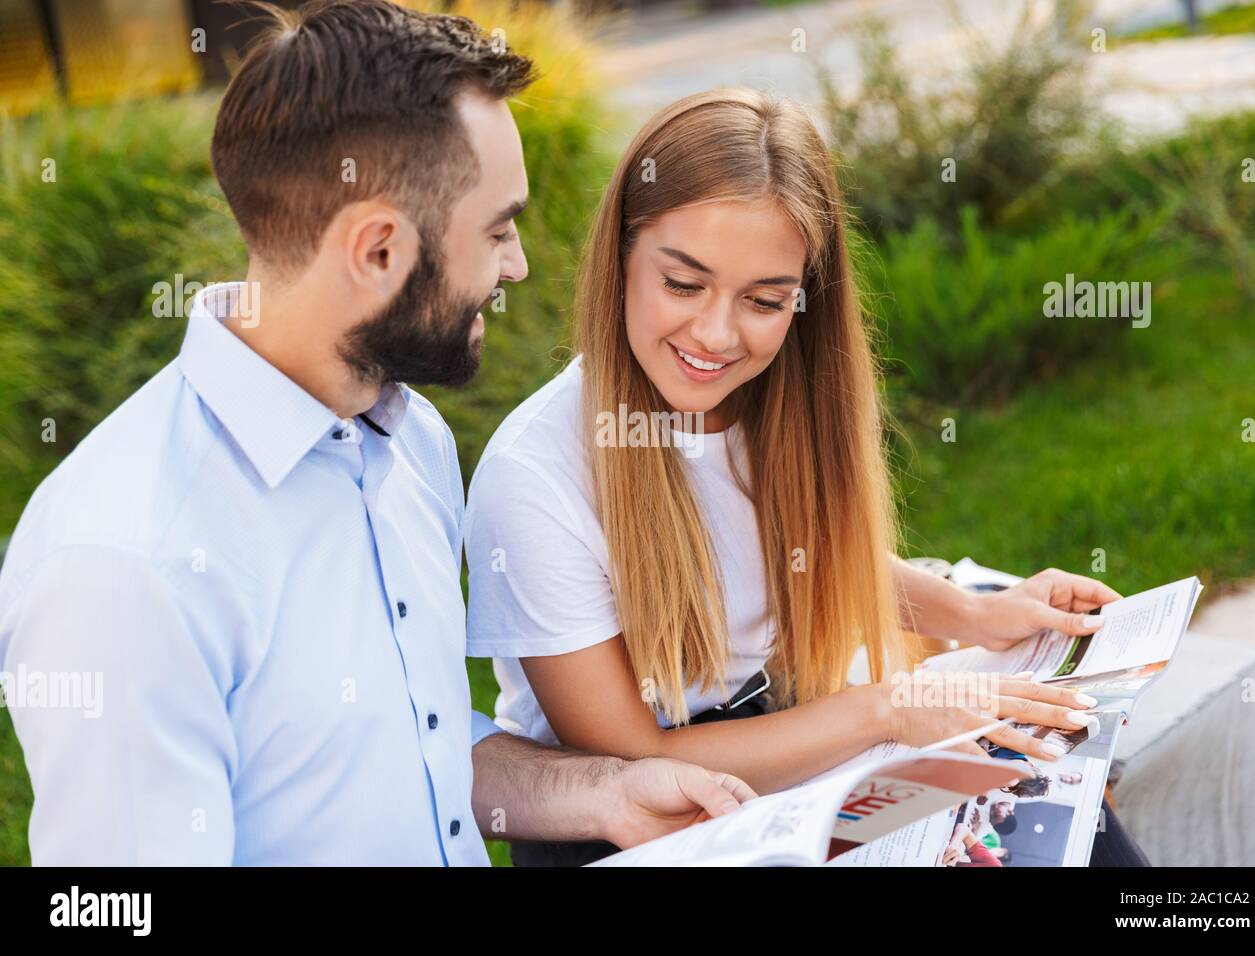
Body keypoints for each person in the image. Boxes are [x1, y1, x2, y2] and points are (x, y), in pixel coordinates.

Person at [0, 0, 755, 866]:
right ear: (379, 250)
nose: (517, 265)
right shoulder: (127, 564)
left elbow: (414, 751)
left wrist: (604, 793)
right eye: (499, 229)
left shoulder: (410, 442)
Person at [462, 87, 1135, 866]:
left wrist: (980, 616)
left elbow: (801, 555)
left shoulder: (768, 400)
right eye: (683, 284)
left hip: (800, 747)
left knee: (1070, 826)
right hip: (641, 817)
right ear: (618, 259)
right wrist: (888, 709)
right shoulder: (535, 474)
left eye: (765, 301)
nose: (716, 335)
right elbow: (634, 756)